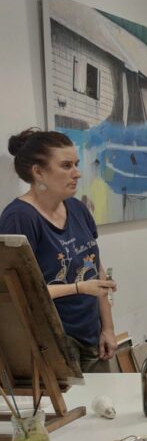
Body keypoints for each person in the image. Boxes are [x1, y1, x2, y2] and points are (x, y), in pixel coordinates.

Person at [0, 129, 118, 372]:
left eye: (76, 164)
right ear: (39, 172)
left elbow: (97, 268)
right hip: (52, 341)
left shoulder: (77, 208)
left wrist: (108, 328)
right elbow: (19, 291)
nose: (77, 173)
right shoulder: (20, 217)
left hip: (92, 335)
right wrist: (78, 288)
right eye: (66, 166)